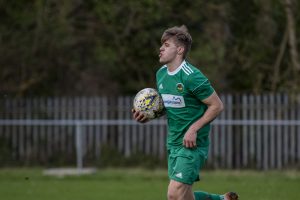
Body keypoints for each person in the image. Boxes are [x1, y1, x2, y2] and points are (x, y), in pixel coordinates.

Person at [132, 25, 238, 200]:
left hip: (192, 145)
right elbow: (171, 104)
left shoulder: (191, 76)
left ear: (179, 49)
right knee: (185, 197)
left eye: (166, 45)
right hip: (174, 142)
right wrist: (149, 115)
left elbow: (217, 106)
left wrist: (193, 129)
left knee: (174, 194)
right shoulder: (161, 74)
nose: (160, 48)